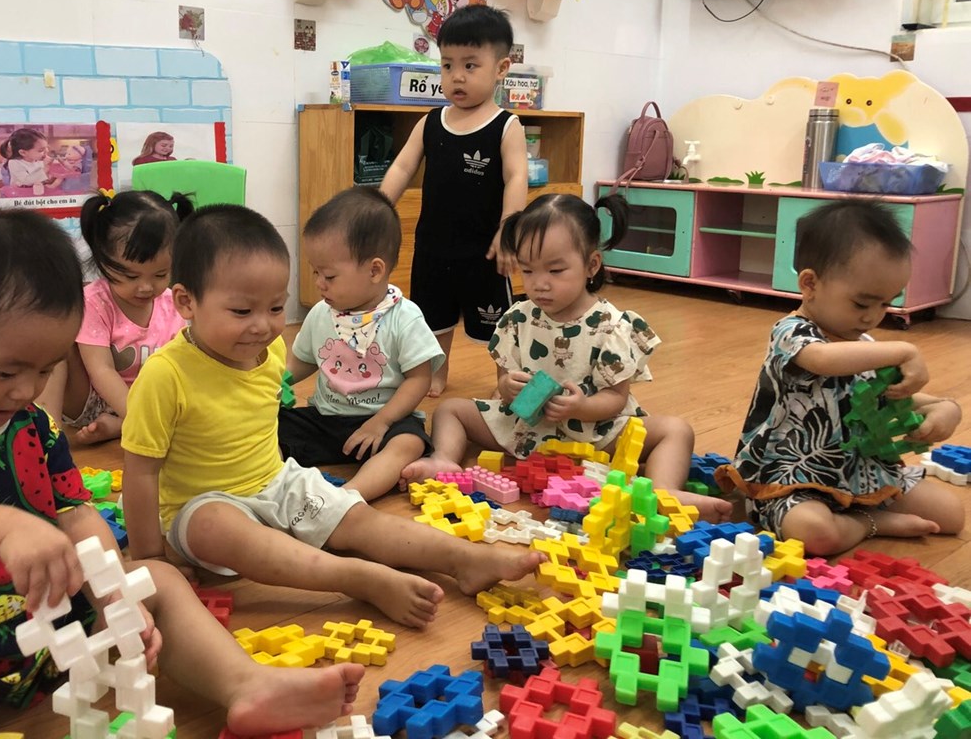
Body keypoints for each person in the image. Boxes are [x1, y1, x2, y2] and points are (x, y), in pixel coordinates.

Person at [0, 209, 363, 739]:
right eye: (6, 371)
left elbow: (75, 512)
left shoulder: (29, 423)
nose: (26, 390)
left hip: (53, 630)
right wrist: (5, 529)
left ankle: (246, 685)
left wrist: (115, 594)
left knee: (157, 579)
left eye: (45, 370)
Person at [121, 204, 545, 629]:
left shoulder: (269, 350)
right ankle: (355, 577)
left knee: (358, 518)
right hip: (202, 506)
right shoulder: (165, 375)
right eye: (242, 312)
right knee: (215, 526)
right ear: (186, 301)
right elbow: (140, 473)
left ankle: (465, 559)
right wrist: (151, 557)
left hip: (278, 482)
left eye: (276, 308)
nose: (264, 326)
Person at [410, 193, 732, 523]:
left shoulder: (611, 326)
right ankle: (444, 459)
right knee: (450, 409)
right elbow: (503, 383)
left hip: (595, 433)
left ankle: (664, 491)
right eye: (528, 270)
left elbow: (616, 398)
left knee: (676, 430)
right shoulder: (518, 319)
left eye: (556, 270)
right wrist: (508, 388)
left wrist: (581, 407)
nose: (540, 284)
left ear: (592, 265)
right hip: (526, 431)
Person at [716, 199, 964, 555]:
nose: (872, 317)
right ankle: (868, 522)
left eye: (886, 304)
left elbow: (886, 392)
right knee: (815, 534)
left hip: (860, 470)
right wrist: (905, 350)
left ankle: (859, 509)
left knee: (951, 515)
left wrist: (944, 407)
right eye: (862, 304)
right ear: (810, 284)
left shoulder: (864, 345)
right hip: (792, 477)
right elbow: (822, 360)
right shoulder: (791, 333)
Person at [380, 4, 528, 398]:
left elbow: (516, 178)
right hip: (433, 247)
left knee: (499, 324)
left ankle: (506, 380)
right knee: (432, 319)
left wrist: (509, 228)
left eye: (470, 65)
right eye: (447, 65)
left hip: (484, 251)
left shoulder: (506, 125)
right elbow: (402, 167)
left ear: (501, 68)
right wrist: (378, 207)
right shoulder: (431, 121)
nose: (456, 76)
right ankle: (436, 372)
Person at [280, 187, 444, 501]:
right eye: (316, 272)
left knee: (410, 442)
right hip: (326, 419)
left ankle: (347, 498)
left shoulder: (405, 317)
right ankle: (278, 484)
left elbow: (419, 379)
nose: (318, 283)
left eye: (329, 276)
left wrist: (382, 422)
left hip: (385, 420)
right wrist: (277, 381)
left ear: (374, 270)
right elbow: (303, 361)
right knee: (268, 424)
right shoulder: (320, 314)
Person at [40, 190, 192, 446]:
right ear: (103, 260)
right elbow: (101, 370)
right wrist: (139, 419)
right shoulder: (94, 301)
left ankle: (119, 426)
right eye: (131, 276)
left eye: (160, 275)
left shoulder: (172, 303)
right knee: (56, 347)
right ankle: (48, 436)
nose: (145, 287)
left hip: (152, 402)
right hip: (92, 399)